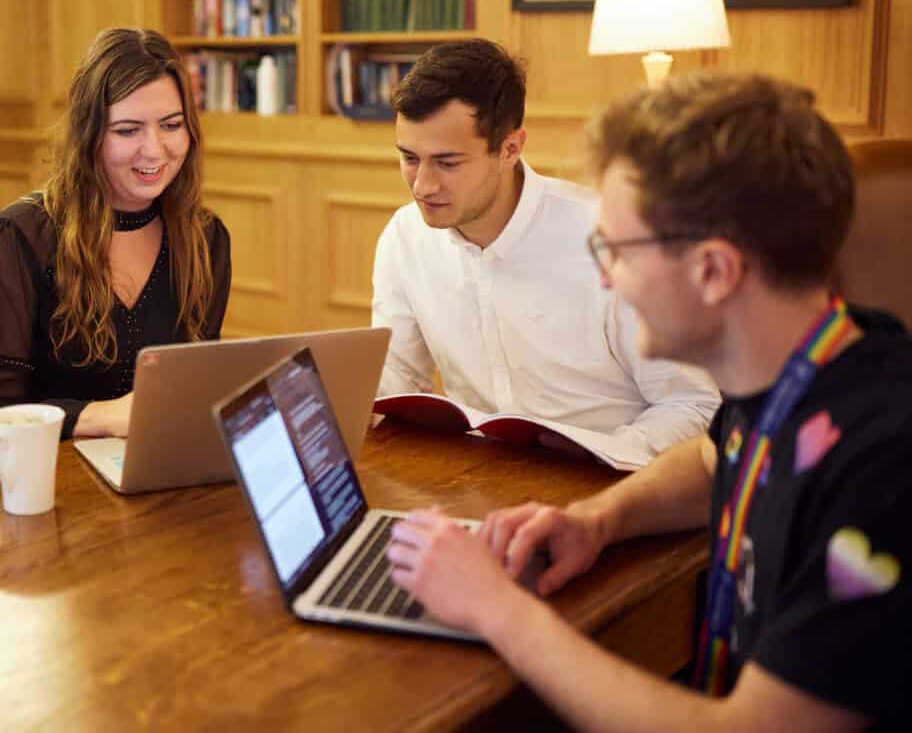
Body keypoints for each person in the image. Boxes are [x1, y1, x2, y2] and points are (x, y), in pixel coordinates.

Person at [387, 74, 912, 730]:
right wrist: (598, 521)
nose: (604, 276)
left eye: (617, 250)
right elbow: (715, 459)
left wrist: (496, 608)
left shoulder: (885, 470)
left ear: (714, 271)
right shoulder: (814, 368)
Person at [372, 38, 717, 463]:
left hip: (611, 480)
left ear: (511, 148)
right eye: (409, 158)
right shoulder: (404, 237)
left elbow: (694, 404)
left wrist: (607, 454)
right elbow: (400, 379)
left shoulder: (610, 237)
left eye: (447, 163)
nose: (423, 185)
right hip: (477, 478)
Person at [0, 27, 231, 439]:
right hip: (47, 479)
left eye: (171, 125)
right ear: (89, 135)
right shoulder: (21, 236)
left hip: (155, 472)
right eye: (127, 130)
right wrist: (98, 417)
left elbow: (193, 385)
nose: (154, 150)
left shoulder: (206, 237)